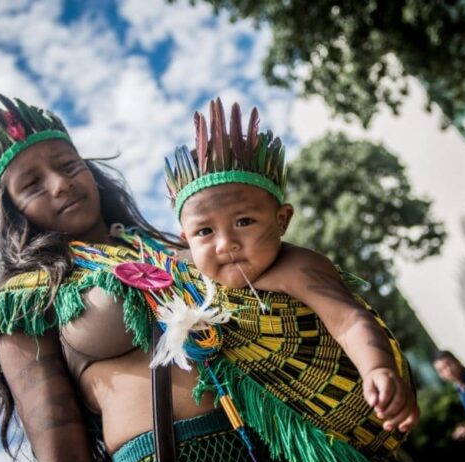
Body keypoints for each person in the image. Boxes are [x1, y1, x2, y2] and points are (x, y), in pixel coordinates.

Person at [0, 93, 412, 462]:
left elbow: (308, 283)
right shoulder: (22, 301)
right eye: (32, 184)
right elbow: (56, 438)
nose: (60, 184)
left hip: (278, 441)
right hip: (171, 458)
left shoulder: (186, 245)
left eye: (69, 165)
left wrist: (377, 362)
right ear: (11, 213)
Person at [163, 98, 419, 439]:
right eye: (204, 232)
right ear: (187, 241)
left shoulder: (297, 266)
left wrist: (378, 368)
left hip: (354, 424)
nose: (225, 244)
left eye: (244, 221)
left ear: (282, 219)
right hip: (285, 439)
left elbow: (348, 320)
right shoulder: (190, 276)